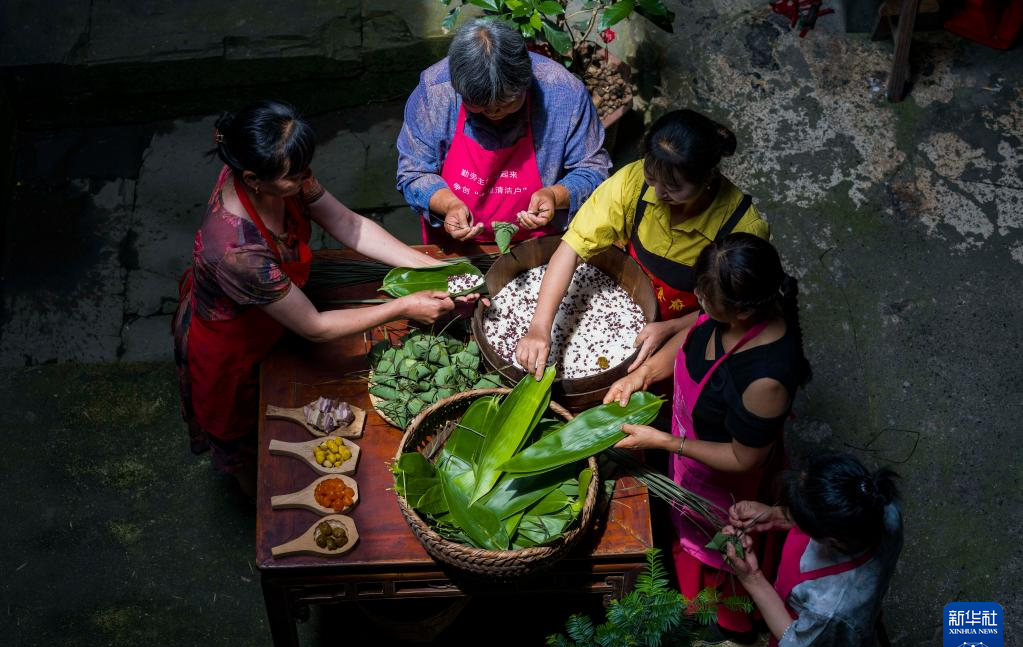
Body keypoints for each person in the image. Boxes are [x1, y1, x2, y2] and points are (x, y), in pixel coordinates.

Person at [173, 101, 472, 497]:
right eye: (294, 176)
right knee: (245, 442)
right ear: (253, 179)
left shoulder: (282, 171)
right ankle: (255, 501)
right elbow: (314, 326)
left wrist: (432, 268)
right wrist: (403, 306)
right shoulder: (236, 251)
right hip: (235, 345)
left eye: (304, 170)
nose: (305, 179)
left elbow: (347, 223)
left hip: (278, 316)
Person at [602, 233, 812, 637]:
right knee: (684, 528)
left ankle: (723, 620)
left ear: (742, 312)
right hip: (688, 446)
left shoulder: (766, 379)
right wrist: (643, 375)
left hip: (726, 480)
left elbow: (744, 458)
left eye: (705, 298)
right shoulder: (726, 313)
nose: (698, 302)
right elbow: (695, 332)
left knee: (718, 550)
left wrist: (665, 443)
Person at [516, 109, 768, 379]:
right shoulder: (633, 182)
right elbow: (573, 246)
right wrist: (539, 327)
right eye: (651, 176)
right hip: (631, 303)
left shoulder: (742, 227)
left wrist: (674, 327)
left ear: (707, 177)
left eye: (673, 187)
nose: (658, 192)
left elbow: (733, 314)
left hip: (693, 327)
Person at [396, 18, 610, 247]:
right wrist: (448, 205)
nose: (493, 112)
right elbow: (414, 173)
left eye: (506, 103)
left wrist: (555, 196)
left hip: (537, 245)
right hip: (455, 247)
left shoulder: (564, 93)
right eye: (479, 105)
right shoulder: (435, 92)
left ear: (525, 82)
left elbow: (593, 170)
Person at [722, 452, 903, 647]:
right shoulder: (880, 507)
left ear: (832, 541)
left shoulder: (831, 607)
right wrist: (777, 516)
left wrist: (752, 578)